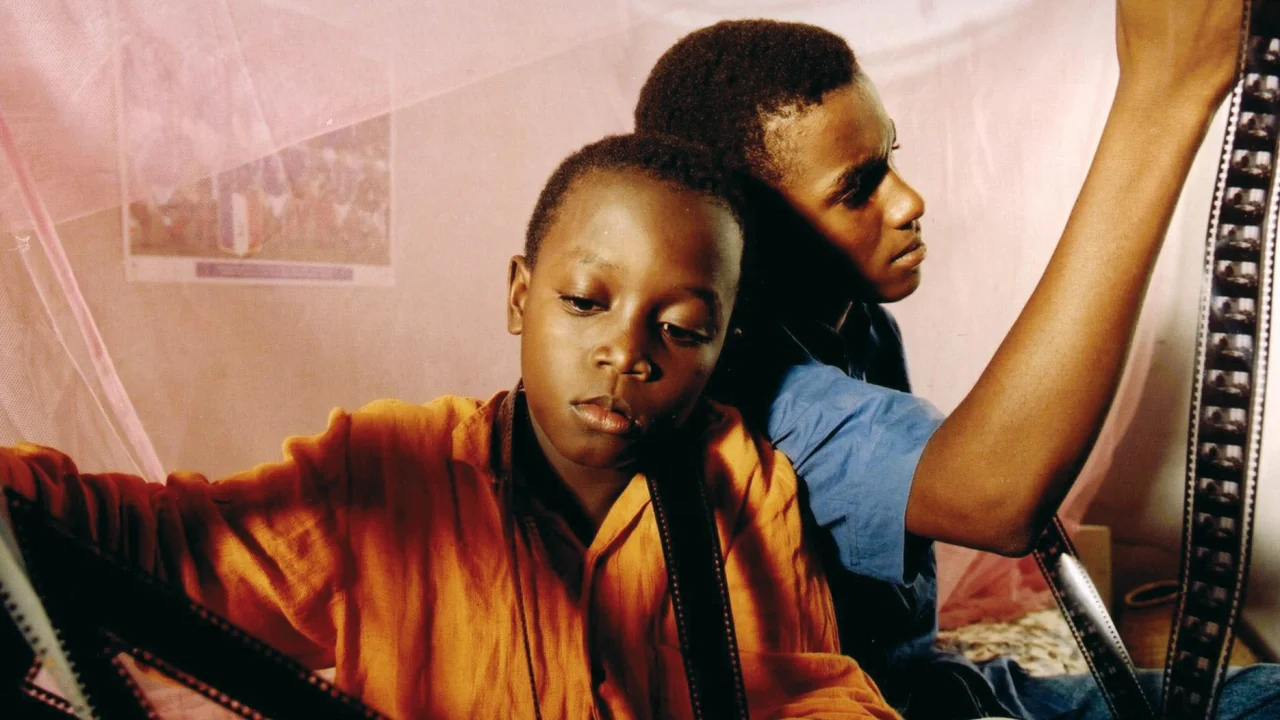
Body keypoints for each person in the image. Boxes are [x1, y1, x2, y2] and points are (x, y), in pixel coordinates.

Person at [0, 134, 899, 719]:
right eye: (585, 302)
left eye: (682, 329)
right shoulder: (387, 473)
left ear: (721, 346)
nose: (626, 352)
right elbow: (161, 549)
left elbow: (810, 694)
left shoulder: (742, 487)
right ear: (519, 297)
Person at [634, 5, 1280, 719]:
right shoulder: (749, 390)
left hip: (930, 686)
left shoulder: (860, 325)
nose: (909, 202)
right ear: (746, 234)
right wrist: (1161, 93)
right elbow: (995, 498)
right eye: (859, 188)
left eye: (892, 159)